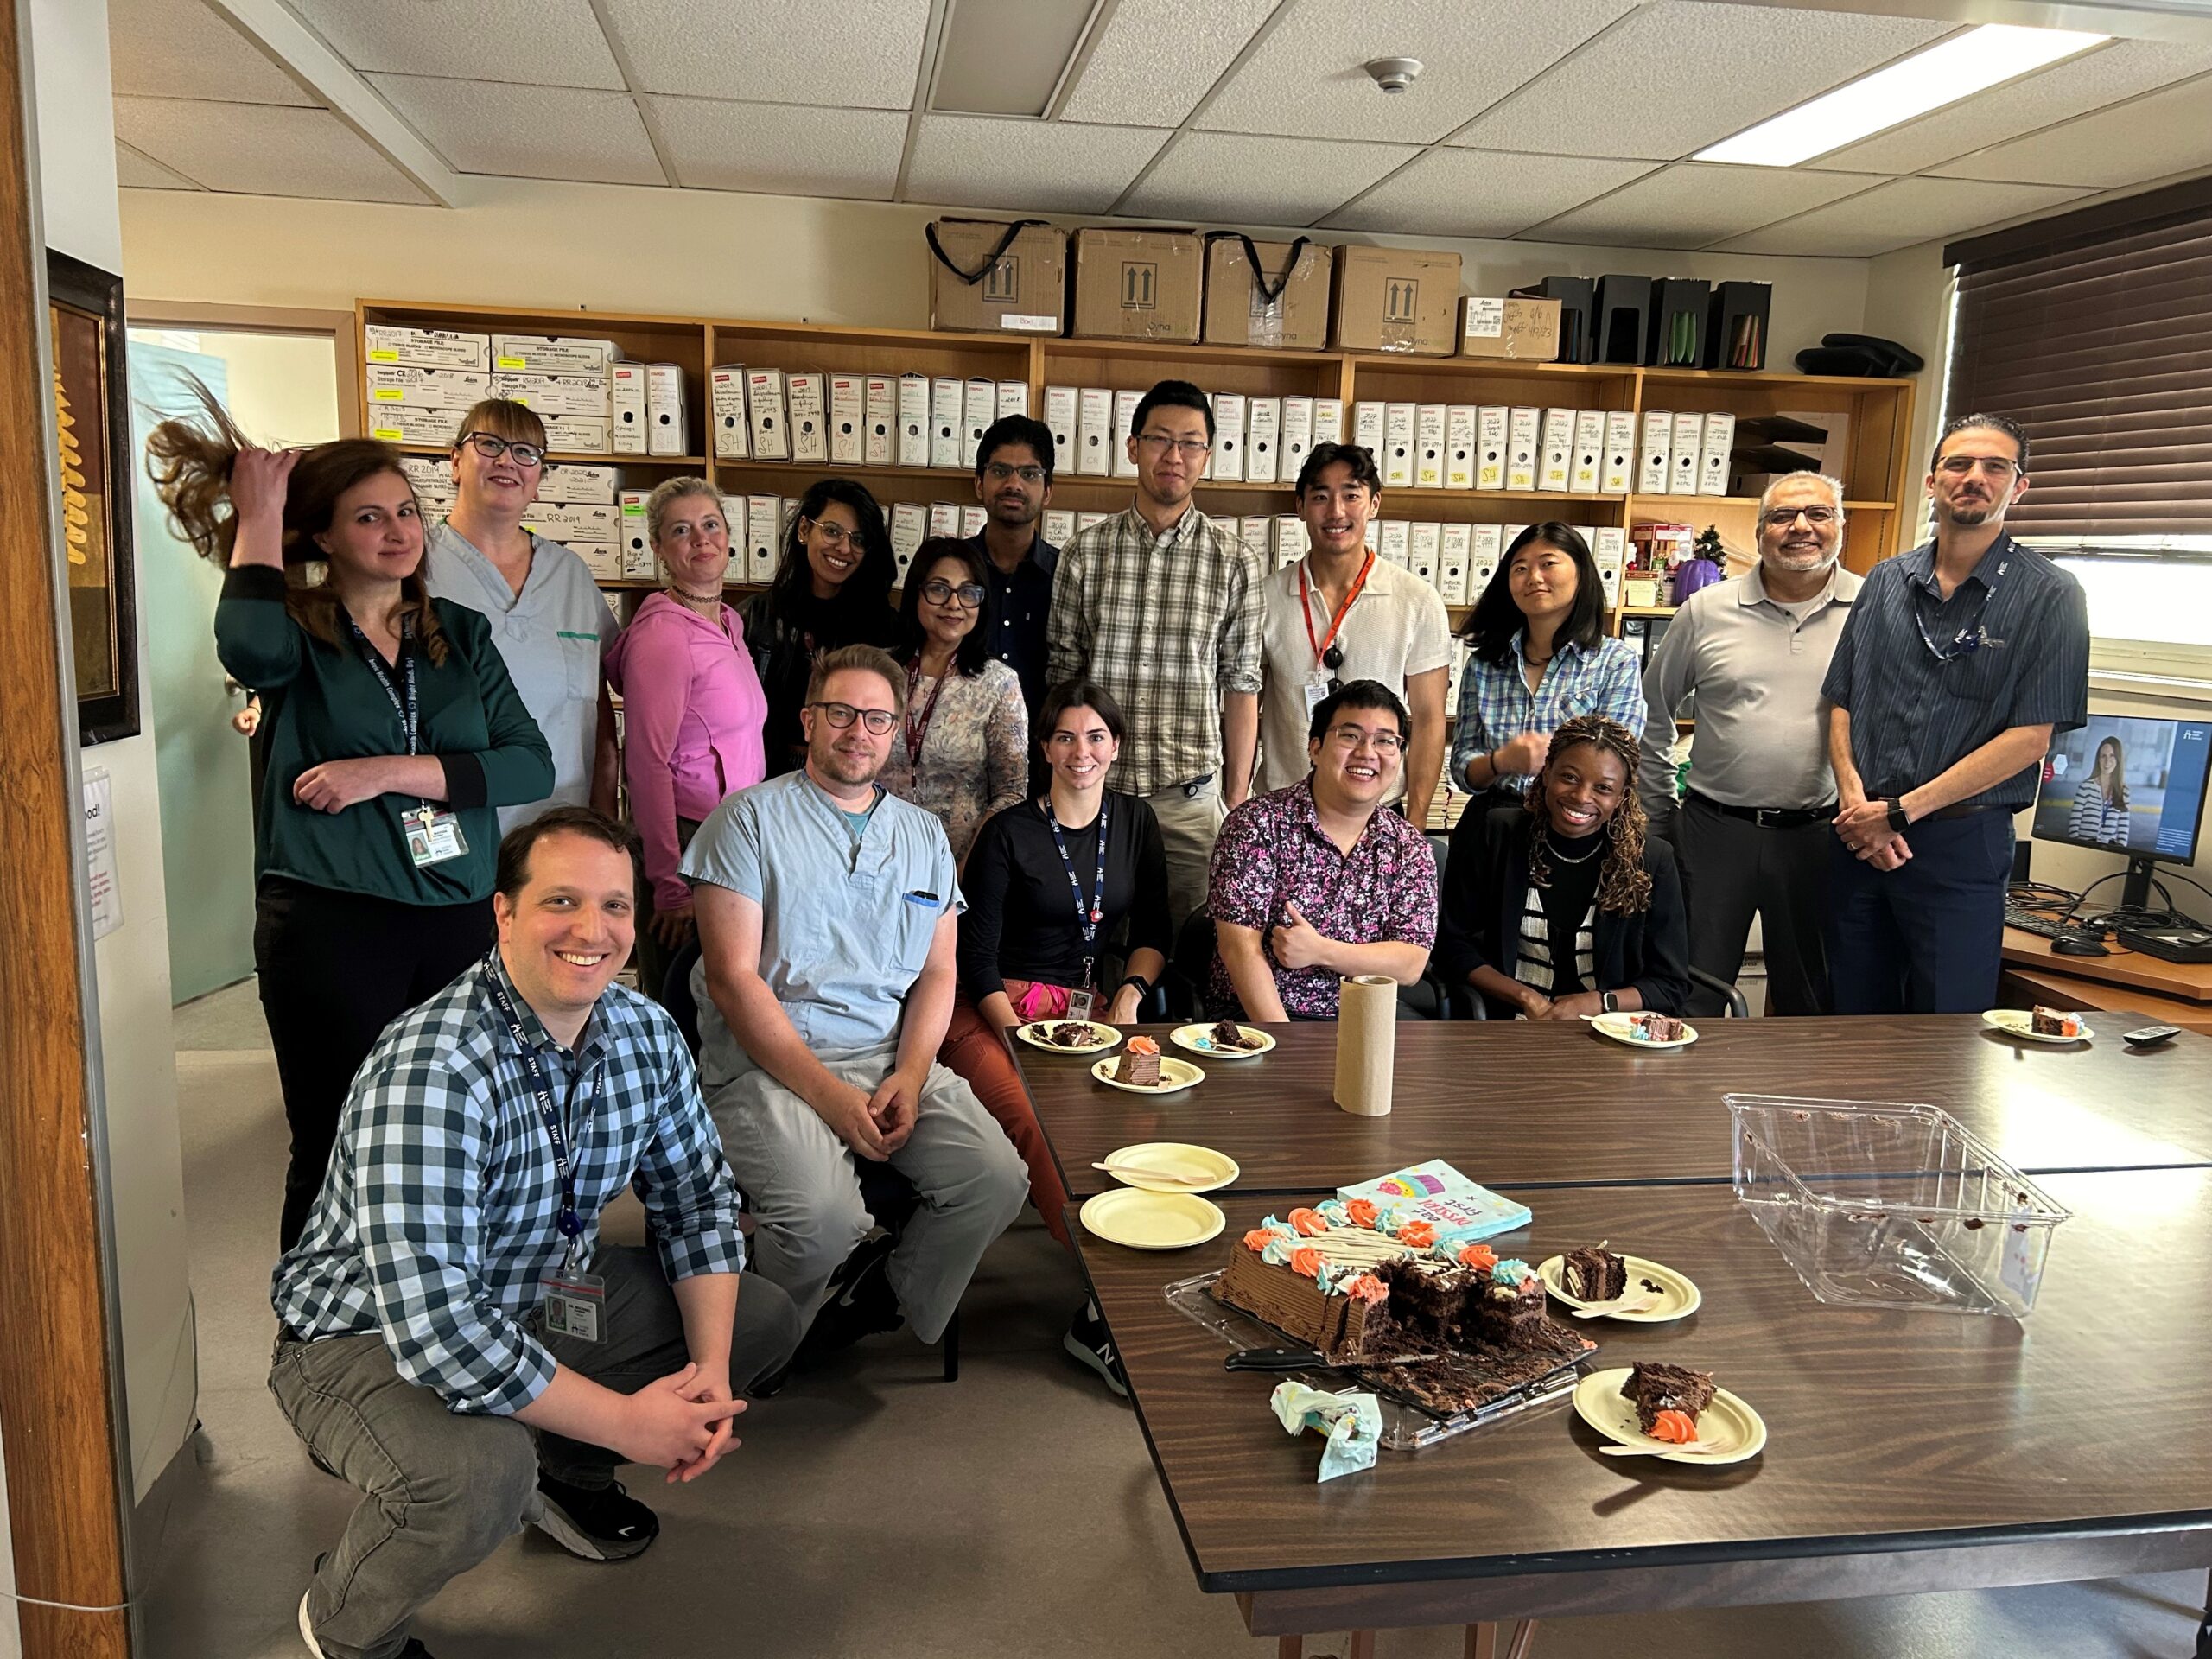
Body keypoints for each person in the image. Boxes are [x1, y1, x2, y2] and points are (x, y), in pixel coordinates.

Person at [271, 808, 799, 1659]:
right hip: (363, 1335)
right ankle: (346, 1623)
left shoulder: (644, 1032)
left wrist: (705, 1375)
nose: (593, 930)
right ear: (504, 914)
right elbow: (438, 1326)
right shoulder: (433, 1064)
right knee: (479, 1475)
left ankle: (571, 1468)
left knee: (757, 1319)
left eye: (616, 907)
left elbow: (698, 1207)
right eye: (561, 901)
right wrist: (631, 1423)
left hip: (539, 1297)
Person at [149, 393, 553, 1251]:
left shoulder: (460, 636)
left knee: (448, 1132)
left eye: (406, 511)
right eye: (368, 517)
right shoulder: (298, 634)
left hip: (456, 918)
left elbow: (529, 764)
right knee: (338, 1137)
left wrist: (385, 774)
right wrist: (257, 516)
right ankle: (320, 1330)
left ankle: (443, 1305)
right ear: (324, 537)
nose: (397, 531)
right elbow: (248, 650)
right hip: (333, 922)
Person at [681, 645, 1027, 1361]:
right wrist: (834, 1099)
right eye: (841, 713)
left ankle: (885, 1294)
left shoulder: (924, 835)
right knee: (822, 1220)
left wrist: (911, 1071)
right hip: (771, 1062)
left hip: (890, 1054)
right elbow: (732, 981)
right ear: (808, 719)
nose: (857, 732)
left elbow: (938, 973)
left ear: (896, 731)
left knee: (996, 1179)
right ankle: (760, 1345)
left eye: (876, 719)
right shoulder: (745, 822)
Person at [944, 680, 1172, 1394]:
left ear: (1117, 748)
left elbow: (1156, 933)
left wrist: (1129, 997)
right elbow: (972, 958)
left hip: (1087, 1009)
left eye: (1097, 737)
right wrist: (1017, 1035)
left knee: (1138, 1116)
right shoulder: (1008, 831)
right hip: (993, 1009)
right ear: (1044, 748)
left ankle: (1133, 1266)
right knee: (1039, 1118)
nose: (1082, 752)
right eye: (1066, 737)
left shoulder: (1136, 822)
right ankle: (1107, 1308)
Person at [1822, 414, 2089, 1014]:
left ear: (2018, 487)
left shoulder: (2053, 595)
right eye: (1960, 464)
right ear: (1932, 481)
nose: (1976, 478)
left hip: (1958, 842)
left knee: (1948, 1029)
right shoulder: (1888, 580)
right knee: (1849, 1024)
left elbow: (2029, 739)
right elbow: (1841, 698)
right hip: (1858, 836)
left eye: (1996, 467)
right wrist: (1855, 804)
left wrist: (1900, 812)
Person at [1637, 473, 1863, 1017]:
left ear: (1841, 527)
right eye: (1782, 517)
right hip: (1716, 831)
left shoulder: (1876, 607)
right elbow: (1651, 713)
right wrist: (1660, 812)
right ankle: (1685, 1103)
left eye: (1818, 514)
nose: (1800, 528)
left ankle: (1792, 1102)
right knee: (1693, 992)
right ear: (1761, 532)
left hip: (1822, 834)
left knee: (1809, 997)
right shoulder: (1706, 610)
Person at [1047, 378, 1264, 931]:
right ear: (1133, 447)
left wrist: (1235, 801)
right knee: (1095, 945)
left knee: (1190, 944)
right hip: (1096, 792)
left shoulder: (1233, 561)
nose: (1174, 456)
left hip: (1189, 800)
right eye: (1160, 439)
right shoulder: (1084, 552)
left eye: (1191, 443)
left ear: (1207, 457)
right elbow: (1064, 679)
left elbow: (1241, 687)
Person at [602, 478, 767, 1004]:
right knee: (684, 1006)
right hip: (686, 842)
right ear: (658, 548)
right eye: (681, 530)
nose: (701, 540)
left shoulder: (728, 621)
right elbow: (646, 766)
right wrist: (670, 884)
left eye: (710, 525)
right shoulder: (663, 637)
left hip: (732, 835)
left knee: (729, 1003)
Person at [423, 398, 618, 831]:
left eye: (526, 452)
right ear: (455, 462)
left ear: (538, 479)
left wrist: (603, 816)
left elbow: (599, 707)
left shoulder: (570, 575)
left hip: (561, 823)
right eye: (490, 444)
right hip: (455, 823)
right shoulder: (414, 568)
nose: (508, 461)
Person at [1207, 680, 1439, 1023]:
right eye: (1350, 736)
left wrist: (1321, 950)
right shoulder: (1257, 824)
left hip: (1368, 1015)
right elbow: (1239, 948)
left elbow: (1409, 964)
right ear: (1315, 748)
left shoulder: (1409, 846)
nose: (1367, 752)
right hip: (1261, 1017)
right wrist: (1284, 1044)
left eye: (1385, 741)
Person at [1437, 713, 1690, 1020]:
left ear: (1621, 796)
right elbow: (1453, 946)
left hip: (1608, 1034)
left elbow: (1670, 985)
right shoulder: (1499, 834)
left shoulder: (1651, 860)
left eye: (1603, 788)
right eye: (1569, 777)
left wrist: (1598, 1003)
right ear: (1546, 774)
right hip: (1509, 1027)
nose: (1582, 797)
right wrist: (1525, 997)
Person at [1259, 442, 1452, 827]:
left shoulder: (1417, 599)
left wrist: (1412, 825)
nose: (1336, 512)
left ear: (1374, 503)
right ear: (1299, 507)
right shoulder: (1264, 598)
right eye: (1320, 496)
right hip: (1282, 812)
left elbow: (1429, 719)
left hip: (1380, 813)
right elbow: (1246, 705)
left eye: (1351, 495)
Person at [1448, 523, 1645, 815]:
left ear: (1581, 573)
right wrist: (1501, 761)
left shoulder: (1615, 662)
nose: (1534, 577)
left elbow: (1616, 763)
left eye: (1548, 564)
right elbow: (1463, 767)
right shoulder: (1484, 665)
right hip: (1493, 822)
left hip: (1575, 821)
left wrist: (1558, 758)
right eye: (1520, 568)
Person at [740, 477, 901, 778]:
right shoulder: (754, 616)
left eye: (858, 539)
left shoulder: (883, 625)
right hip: (764, 770)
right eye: (832, 532)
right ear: (804, 530)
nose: (844, 548)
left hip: (846, 771)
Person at [882, 538, 1028, 862]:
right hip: (877, 851)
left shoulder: (998, 683)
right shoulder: (879, 671)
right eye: (939, 589)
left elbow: (1011, 793)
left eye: (968, 592)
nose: (954, 604)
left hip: (960, 862)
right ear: (916, 593)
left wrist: (968, 866)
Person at [965, 413, 1060, 721]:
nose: (1014, 484)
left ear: (1047, 491)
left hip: (1044, 755)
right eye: (1001, 471)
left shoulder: (1067, 575)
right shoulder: (952, 569)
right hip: (959, 751)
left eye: (1030, 474)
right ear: (979, 483)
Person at [2069, 734, 2130, 846]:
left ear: (2118, 759)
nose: (2107, 762)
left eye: (2112, 756)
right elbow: (2073, 828)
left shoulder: (2124, 792)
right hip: (2084, 848)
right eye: (2103, 756)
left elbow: (2123, 834)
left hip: (2109, 853)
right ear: (2098, 759)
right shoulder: (2085, 787)